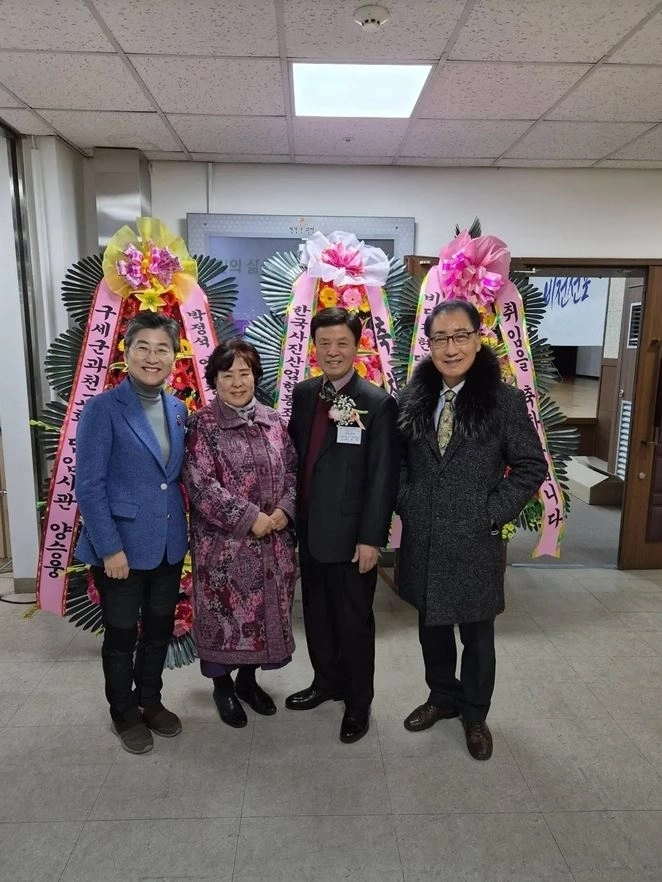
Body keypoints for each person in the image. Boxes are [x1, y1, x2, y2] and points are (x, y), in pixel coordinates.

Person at [397, 300, 547, 760]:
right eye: (440, 338)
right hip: (424, 537)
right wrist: (408, 501)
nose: (450, 347)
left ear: (478, 338)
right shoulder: (412, 396)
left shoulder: (502, 399)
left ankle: (475, 713)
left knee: (477, 637)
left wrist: (490, 512)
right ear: (429, 344)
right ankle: (441, 697)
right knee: (431, 628)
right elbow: (398, 465)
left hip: (475, 541)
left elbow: (529, 466)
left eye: (460, 335)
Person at [75, 312, 188, 755]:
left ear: (173, 357)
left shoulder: (178, 409)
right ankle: (123, 712)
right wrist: (110, 548)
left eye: (162, 349)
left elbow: (171, 478)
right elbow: (89, 485)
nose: (152, 356)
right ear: (126, 352)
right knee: (121, 637)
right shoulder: (103, 409)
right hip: (120, 548)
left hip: (167, 544)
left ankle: (151, 701)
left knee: (159, 631)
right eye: (143, 346)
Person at [286, 307, 399, 744]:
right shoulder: (303, 394)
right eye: (325, 343)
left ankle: (358, 702)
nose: (333, 351)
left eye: (342, 343)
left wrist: (372, 538)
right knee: (316, 614)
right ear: (314, 346)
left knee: (354, 622)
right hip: (311, 530)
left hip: (354, 538)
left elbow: (383, 478)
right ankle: (325, 681)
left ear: (357, 347)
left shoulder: (376, 402)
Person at [182, 340, 297, 729]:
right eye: (227, 374)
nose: (236, 382)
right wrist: (250, 517)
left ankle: (248, 682)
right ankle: (222, 688)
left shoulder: (275, 421)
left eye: (244, 373)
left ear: (255, 376)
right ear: (214, 379)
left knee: (265, 618)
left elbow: (295, 471)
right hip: (223, 550)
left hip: (274, 546)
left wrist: (285, 509)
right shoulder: (202, 424)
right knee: (224, 619)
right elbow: (200, 485)